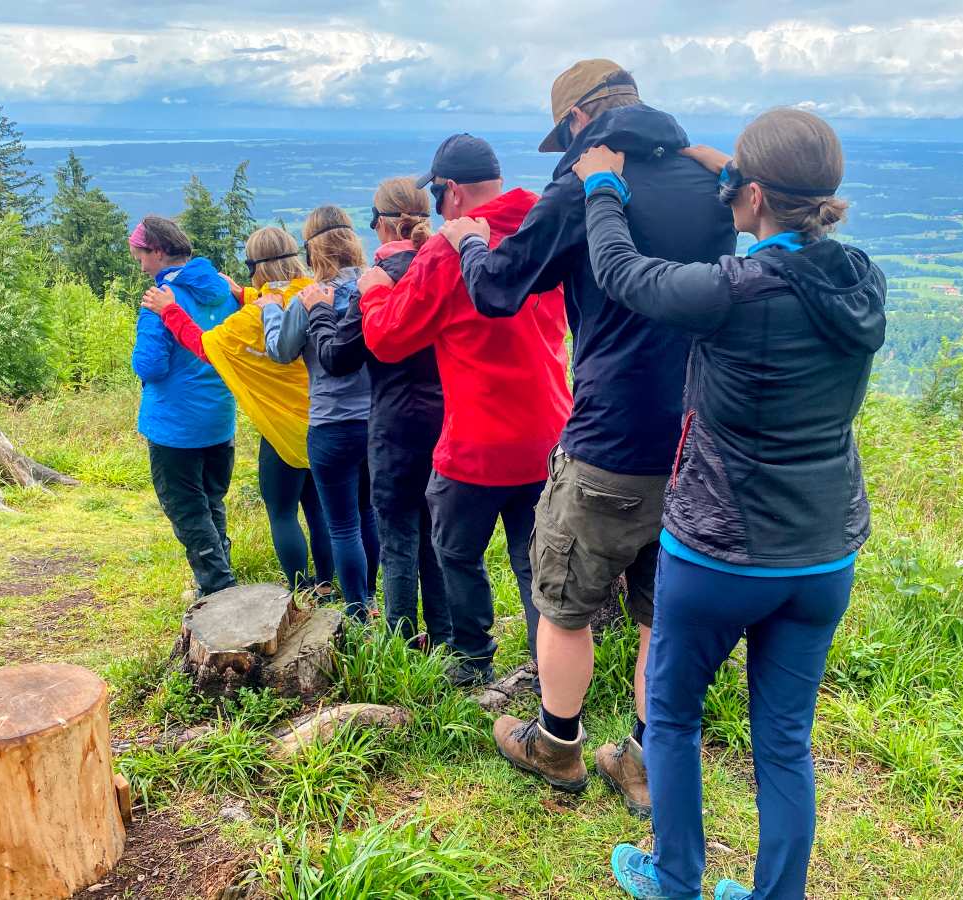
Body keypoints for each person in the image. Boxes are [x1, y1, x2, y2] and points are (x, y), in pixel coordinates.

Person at [572, 109, 887, 899]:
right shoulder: (860, 280)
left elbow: (622, 273)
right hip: (823, 554)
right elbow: (778, 218)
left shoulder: (732, 291)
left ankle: (676, 878)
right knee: (785, 742)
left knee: (673, 718)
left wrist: (604, 187)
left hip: (719, 548)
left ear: (750, 197)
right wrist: (721, 167)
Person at [437, 60, 737, 810]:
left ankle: (557, 744)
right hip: (697, 440)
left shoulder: (582, 186)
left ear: (579, 121)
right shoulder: (712, 184)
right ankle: (641, 757)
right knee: (659, 614)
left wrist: (468, 240)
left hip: (608, 437)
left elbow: (500, 287)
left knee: (566, 604)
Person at [358, 134, 572, 687]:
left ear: (451, 192)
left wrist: (374, 291)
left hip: (476, 442)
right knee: (533, 561)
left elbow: (387, 339)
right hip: (551, 430)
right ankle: (549, 671)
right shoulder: (543, 227)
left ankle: (473, 660)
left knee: (455, 551)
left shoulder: (448, 250)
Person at [140, 226, 335, 596]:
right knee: (320, 509)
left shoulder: (251, 319)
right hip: (326, 421)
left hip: (281, 428)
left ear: (254, 266)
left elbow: (204, 345)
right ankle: (328, 586)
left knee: (282, 512)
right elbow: (276, 298)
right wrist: (241, 293)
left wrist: (170, 311)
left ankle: (299, 590)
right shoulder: (311, 292)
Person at [311, 177, 452, 649]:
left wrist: (320, 312)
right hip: (447, 422)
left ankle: (401, 643)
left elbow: (337, 357)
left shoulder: (378, 281)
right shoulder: (447, 269)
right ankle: (448, 639)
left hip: (393, 425)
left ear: (381, 227)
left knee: (397, 540)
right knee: (435, 537)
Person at [263, 207, 379, 621]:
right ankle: (371, 598)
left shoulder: (308, 299)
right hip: (374, 422)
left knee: (342, 525)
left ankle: (356, 612)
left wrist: (270, 309)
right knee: (368, 514)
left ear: (312, 249)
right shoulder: (374, 288)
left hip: (330, 425)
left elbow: (280, 351)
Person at [129, 216, 240, 598]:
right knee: (210, 500)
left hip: (175, 425)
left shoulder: (160, 302)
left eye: (141, 255)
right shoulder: (226, 291)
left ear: (158, 252)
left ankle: (219, 589)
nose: (140, 264)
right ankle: (217, 577)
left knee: (187, 509)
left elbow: (150, 364)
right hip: (220, 418)